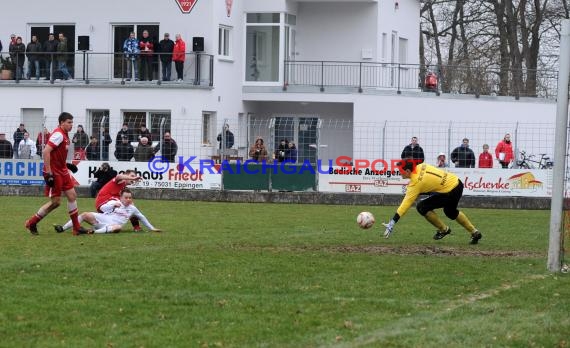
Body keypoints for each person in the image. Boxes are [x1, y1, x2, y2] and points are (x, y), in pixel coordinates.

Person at [381, 159, 482, 245]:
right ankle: (474, 232)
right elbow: (430, 181)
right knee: (450, 212)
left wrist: (393, 222)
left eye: (400, 171)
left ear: (407, 171)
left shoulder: (415, 184)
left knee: (422, 207)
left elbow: (405, 204)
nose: (399, 173)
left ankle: (444, 230)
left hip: (448, 191)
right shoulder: (421, 165)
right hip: (457, 183)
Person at [24, 112, 89, 236]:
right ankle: (32, 222)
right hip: (54, 172)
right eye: (69, 122)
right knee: (56, 202)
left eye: (72, 122)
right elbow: (46, 151)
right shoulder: (58, 134)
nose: (71, 125)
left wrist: (66, 165)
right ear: (61, 123)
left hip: (62, 171)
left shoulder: (65, 135)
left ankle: (76, 228)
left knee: (72, 196)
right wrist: (49, 173)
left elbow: (57, 154)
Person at [55, 189, 161, 234]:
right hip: (101, 220)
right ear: (121, 197)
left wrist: (152, 228)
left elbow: (142, 217)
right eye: (126, 197)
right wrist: (113, 205)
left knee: (118, 227)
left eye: (130, 198)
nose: (128, 199)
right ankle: (63, 228)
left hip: (111, 226)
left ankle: (91, 232)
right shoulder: (115, 202)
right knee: (84, 214)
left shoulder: (132, 208)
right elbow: (103, 209)